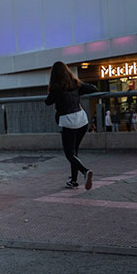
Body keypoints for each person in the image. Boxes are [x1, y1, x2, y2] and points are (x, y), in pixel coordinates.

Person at [44, 61, 97, 190]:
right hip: (82, 120)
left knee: (69, 154)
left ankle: (85, 171)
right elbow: (94, 88)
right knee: (74, 152)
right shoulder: (76, 84)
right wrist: (79, 91)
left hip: (68, 122)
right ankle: (73, 181)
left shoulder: (56, 88)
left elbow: (48, 102)